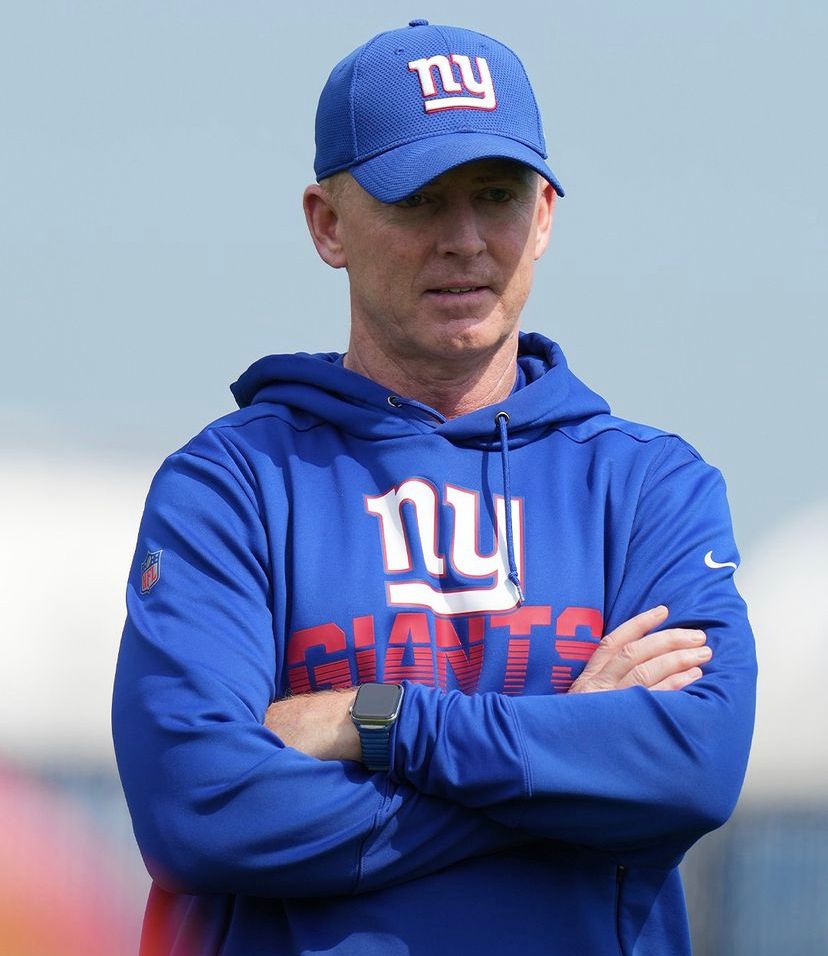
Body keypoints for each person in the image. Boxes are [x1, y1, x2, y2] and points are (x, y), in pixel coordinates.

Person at [112, 20, 756, 956]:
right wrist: (567, 761)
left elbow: (692, 767)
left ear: (544, 215)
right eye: (418, 199)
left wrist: (382, 720)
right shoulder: (232, 485)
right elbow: (200, 809)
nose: (464, 241)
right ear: (328, 224)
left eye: (495, 195)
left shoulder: (650, 487)